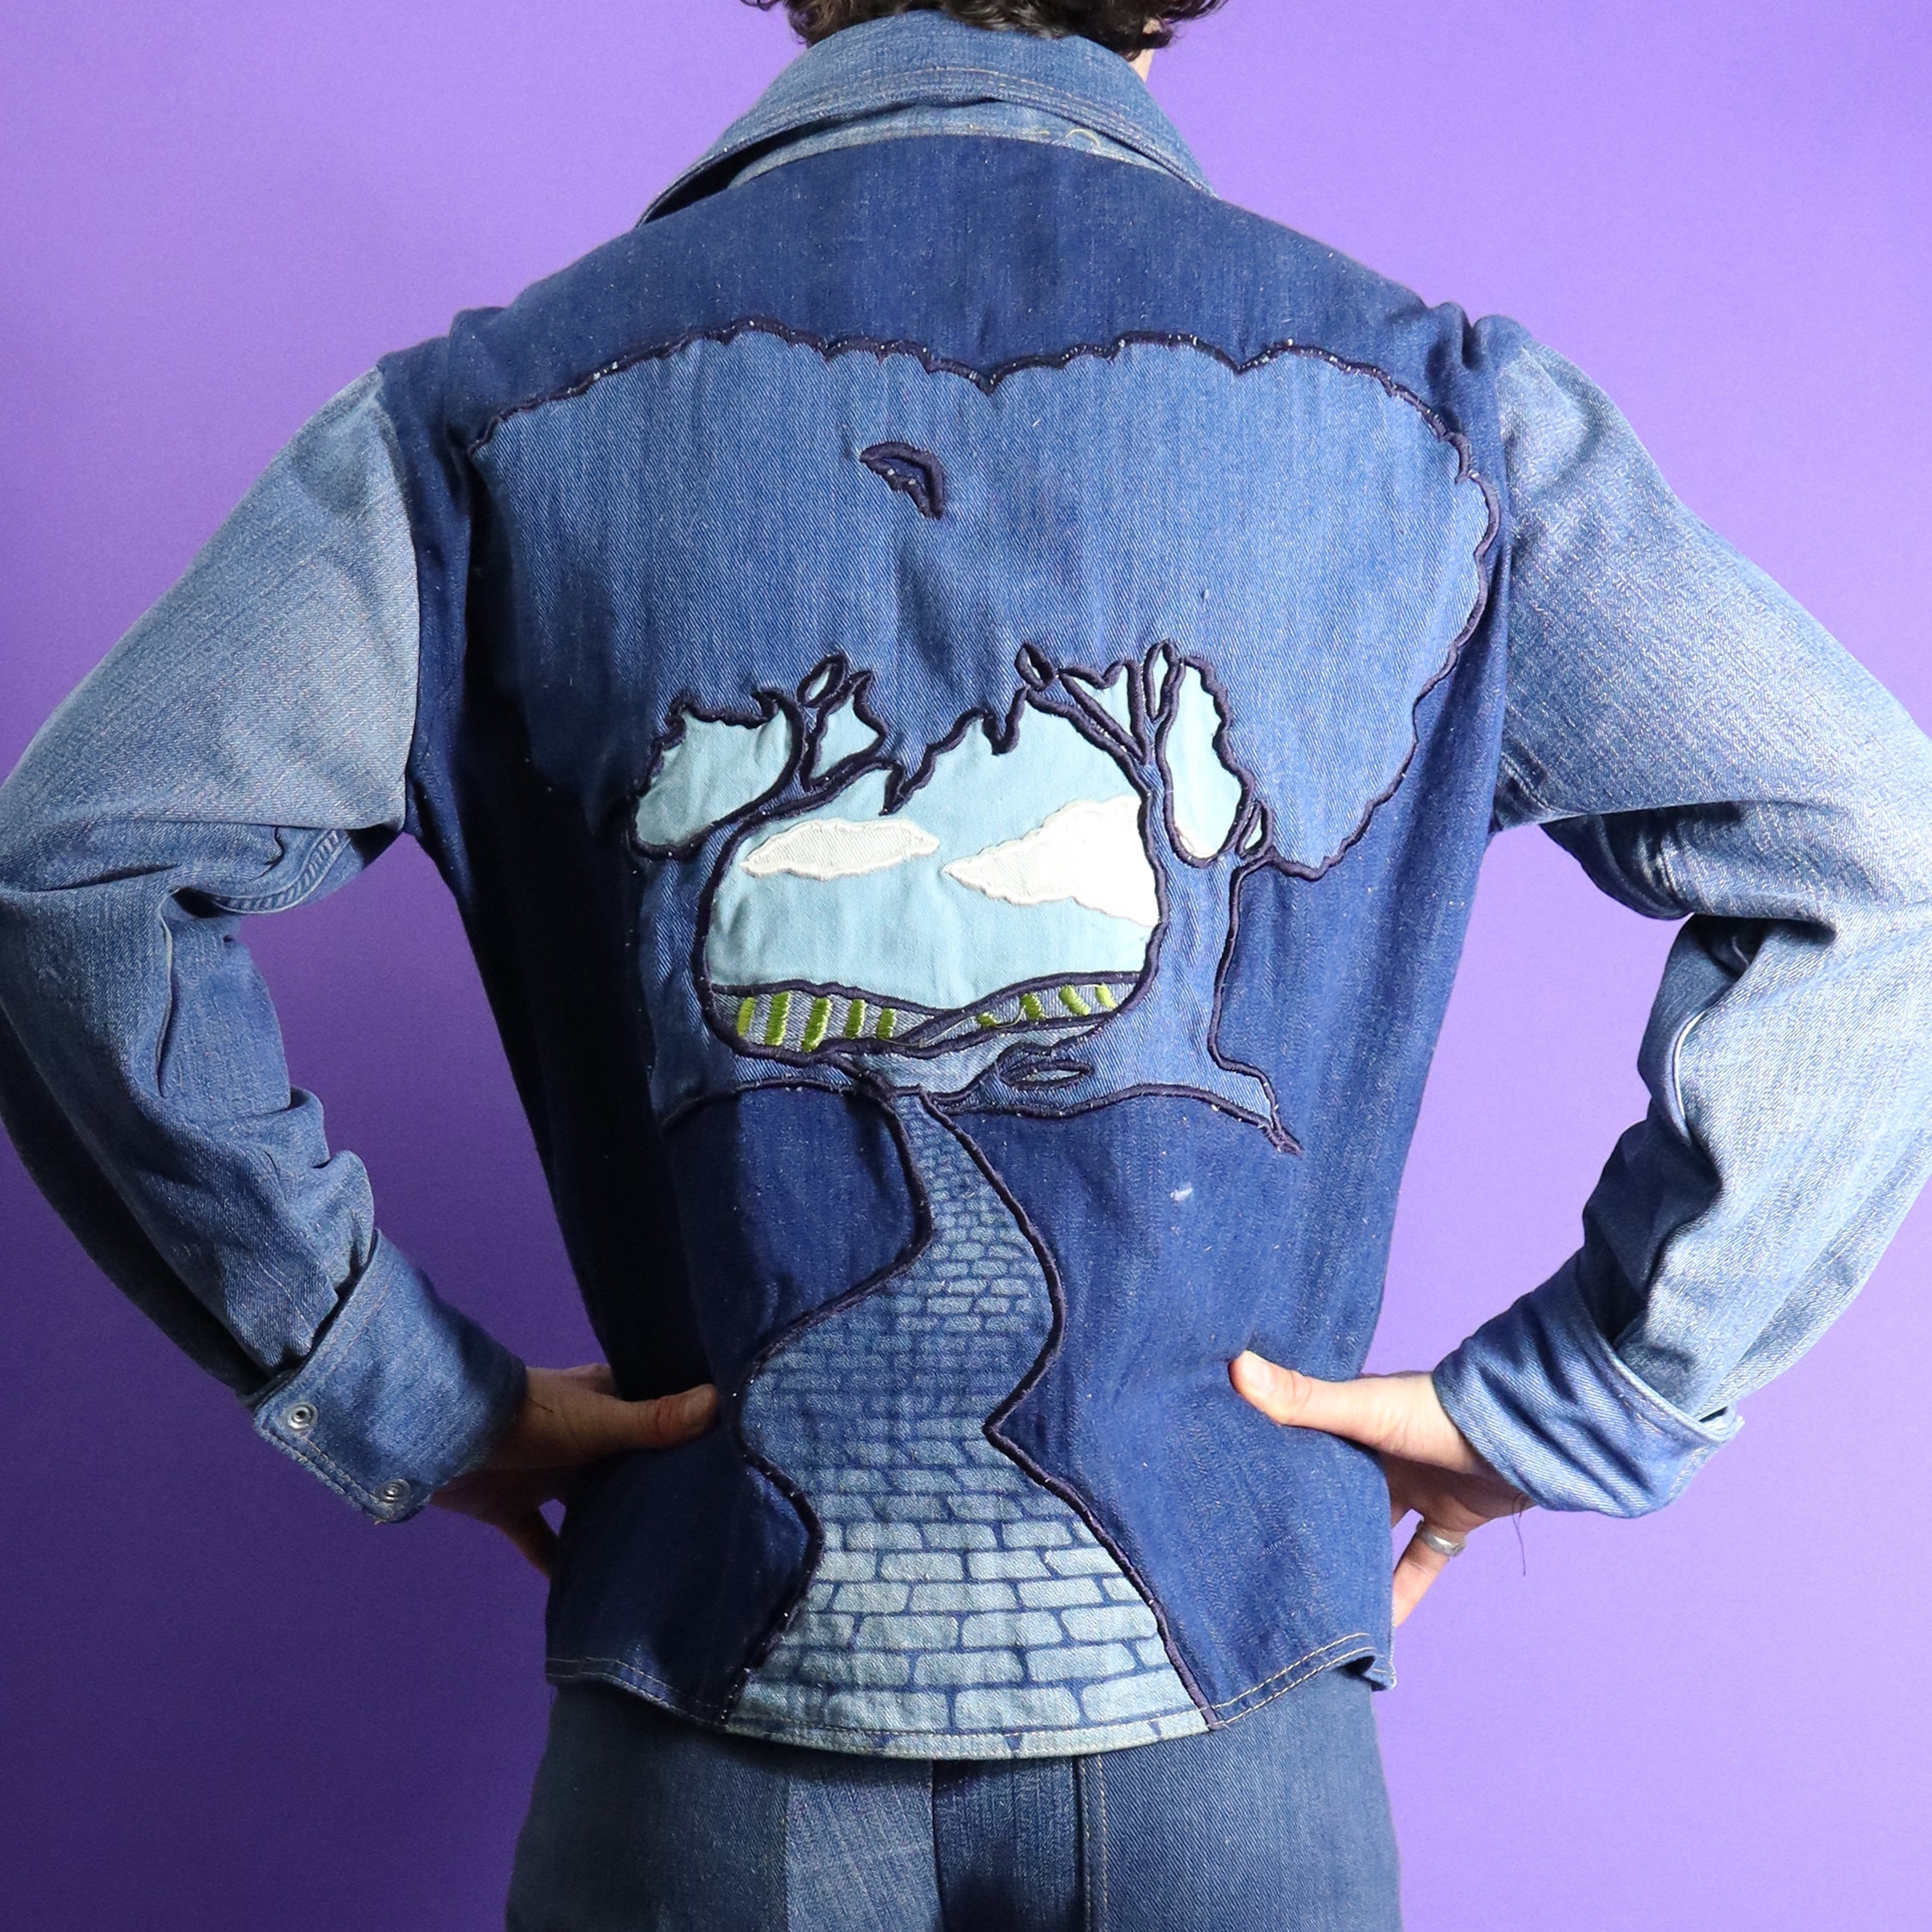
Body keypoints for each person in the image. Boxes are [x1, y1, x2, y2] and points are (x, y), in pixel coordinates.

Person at [2, 1, 1928, 1924]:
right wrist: (1586, 1396)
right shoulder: (1443, 415)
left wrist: (398, 1388)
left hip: (706, 1697)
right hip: (1238, 1716)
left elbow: (72, 875)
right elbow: (1875, 863)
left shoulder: (482, 422)